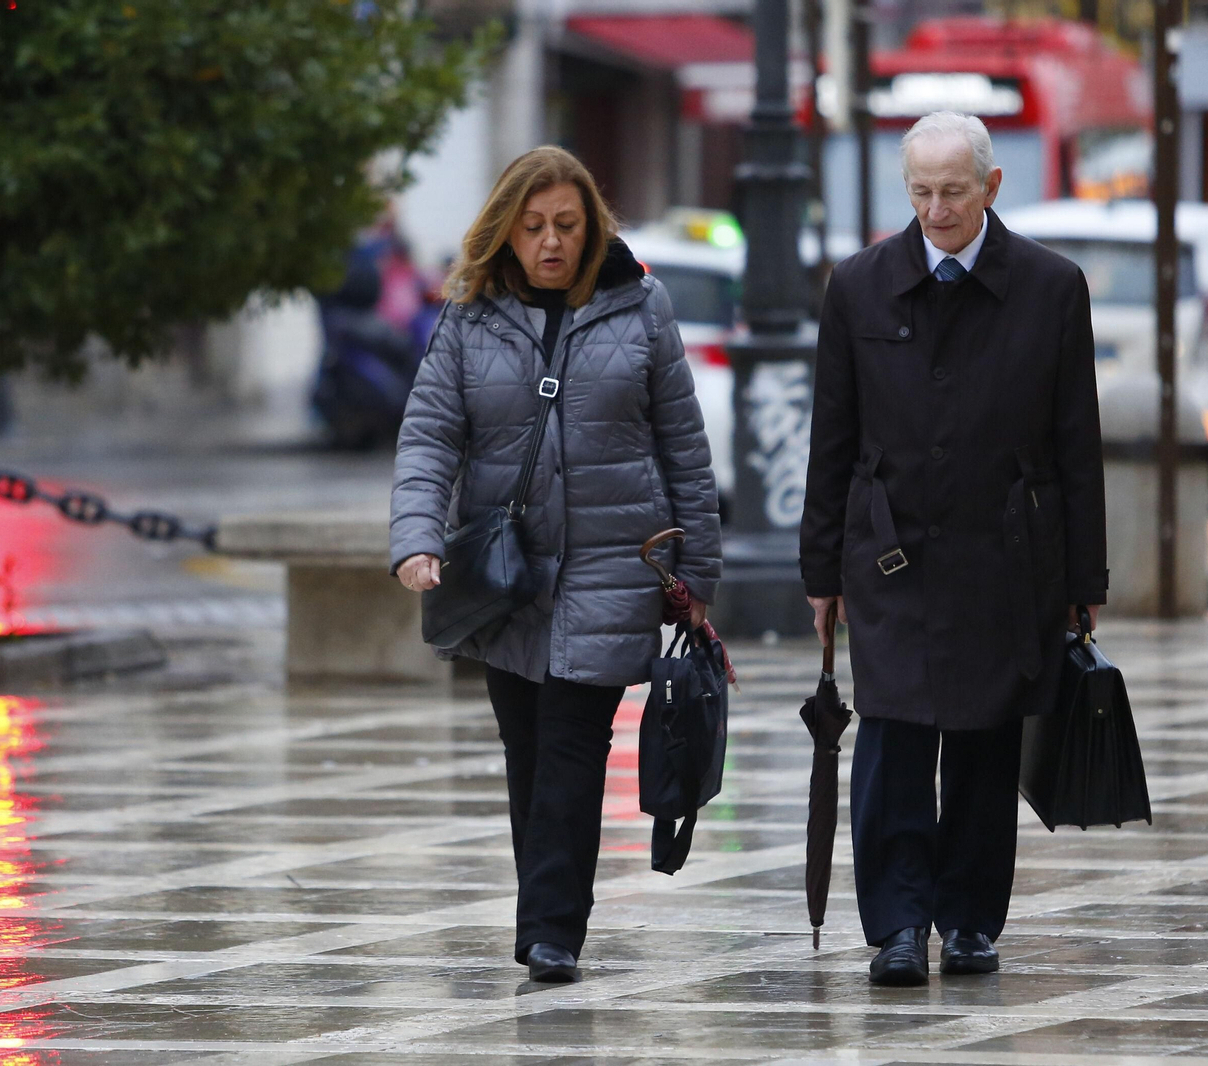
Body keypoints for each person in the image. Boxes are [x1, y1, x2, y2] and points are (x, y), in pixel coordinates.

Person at [389, 146, 721, 983]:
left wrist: (699, 579)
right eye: (533, 226)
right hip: (508, 573)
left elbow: (685, 448)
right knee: (529, 750)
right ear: (506, 230)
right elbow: (429, 436)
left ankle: (550, 933)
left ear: (591, 227)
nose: (550, 242)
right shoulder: (470, 317)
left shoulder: (642, 306)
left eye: (567, 225)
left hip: (613, 564)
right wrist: (417, 538)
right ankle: (548, 915)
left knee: (574, 743)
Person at [800, 112, 1107, 986]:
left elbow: (1076, 445)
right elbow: (832, 439)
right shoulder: (859, 286)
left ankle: (970, 920)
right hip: (889, 553)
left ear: (991, 187)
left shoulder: (1052, 288)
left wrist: (1085, 577)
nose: (936, 210)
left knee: (984, 740)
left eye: (953, 192)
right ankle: (898, 924)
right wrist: (821, 570)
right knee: (893, 736)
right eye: (922, 192)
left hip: (1006, 556)